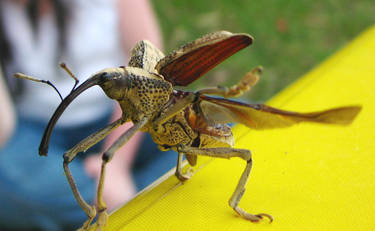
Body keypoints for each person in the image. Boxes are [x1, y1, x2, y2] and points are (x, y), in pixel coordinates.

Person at [0, 0, 176, 230]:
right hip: (33, 132)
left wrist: (117, 162)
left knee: (213, 127)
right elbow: (4, 128)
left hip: (125, 115)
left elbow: (151, 68)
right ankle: (144, 204)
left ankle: (106, 208)